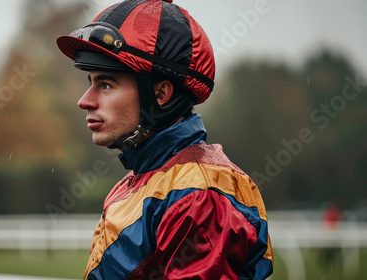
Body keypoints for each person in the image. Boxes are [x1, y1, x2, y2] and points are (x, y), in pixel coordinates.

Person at [57, 0, 273, 279]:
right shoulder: (141, 180)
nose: (84, 101)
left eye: (106, 84)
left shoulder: (197, 194)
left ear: (160, 95)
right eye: (91, 83)